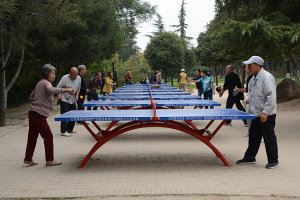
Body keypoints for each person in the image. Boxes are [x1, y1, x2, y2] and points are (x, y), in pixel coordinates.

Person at [24, 64, 74, 167]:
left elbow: (31, 96)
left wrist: (38, 101)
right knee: (48, 136)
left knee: (32, 137)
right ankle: (50, 160)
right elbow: (50, 90)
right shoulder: (46, 83)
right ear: (47, 73)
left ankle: (28, 159)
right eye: (52, 73)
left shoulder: (40, 83)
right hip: (39, 114)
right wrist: (66, 90)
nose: (54, 75)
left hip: (33, 113)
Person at [237, 56, 279, 169]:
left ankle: (273, 160)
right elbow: (250, 92)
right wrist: (247, 99)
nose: (248, 68)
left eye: (250, 65)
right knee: (253, 136)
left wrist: (265, 112)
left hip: (266, 114)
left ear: (257, 65)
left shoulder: (267, 77)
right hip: (255, 113)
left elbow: (271, 97)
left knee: (269, 137)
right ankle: (250, 157)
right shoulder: (253, 78)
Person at [57, 67, 81, 137]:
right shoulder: (64, 78)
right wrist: (59, 96)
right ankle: (63, 131)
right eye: (74, 74)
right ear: (70, 73)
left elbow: (78, 88)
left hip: (73, 99)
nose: (75, 76)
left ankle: (70, 129)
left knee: (73, 114)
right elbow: (58, 88)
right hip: (65, 98)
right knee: (65, 115)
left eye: (76, 74)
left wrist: (77, 96)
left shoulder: (79, 78)